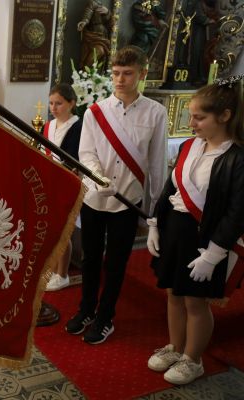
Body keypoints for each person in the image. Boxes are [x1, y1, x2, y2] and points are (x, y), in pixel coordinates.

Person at [146, 77, 244, 385]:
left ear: (225, 116)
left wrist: (213, 255)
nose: (192, 123)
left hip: (204, 238)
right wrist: (154, 223)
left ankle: (193, 358)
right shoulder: (190, 145)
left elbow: (236, 212)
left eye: (199, 117)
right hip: (175, 228)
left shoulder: (236, 158)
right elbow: (171, 186)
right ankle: (175, 348)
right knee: (173, 293)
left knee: (195, 302)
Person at [66, 46, 167, 344]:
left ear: (142, 74)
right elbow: (86, 152)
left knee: (117, 262)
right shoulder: (95, 112)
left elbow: (157, 164)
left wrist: (152, 214)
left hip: (128, 200)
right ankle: (86, 309)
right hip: (96, 197)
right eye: (116, 73)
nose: (120, 80)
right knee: (91, 257)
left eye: (127, 73)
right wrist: (98, 177)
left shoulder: (156, 113)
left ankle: (105, 316)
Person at [43, 83, 82, 291]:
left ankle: (63, 273)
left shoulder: (78, 127)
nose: (53, 108)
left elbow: (78, 158)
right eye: (51, 103)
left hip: (67, 183)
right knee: (51, 229)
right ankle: (53, 269)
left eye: (58, 103)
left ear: (71, 103)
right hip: (50, 182)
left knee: (63, 230)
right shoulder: (49, 126)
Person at [77, 0, 113, 70]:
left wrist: (107, 12)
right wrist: (83, 22)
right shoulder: (92, 2)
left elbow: (110, 22)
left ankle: (94, 74)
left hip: (103, 36)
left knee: (101, 56)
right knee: (99, 51)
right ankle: (84, 72)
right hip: (93, 35)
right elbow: (87, 14)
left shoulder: (102, 5)